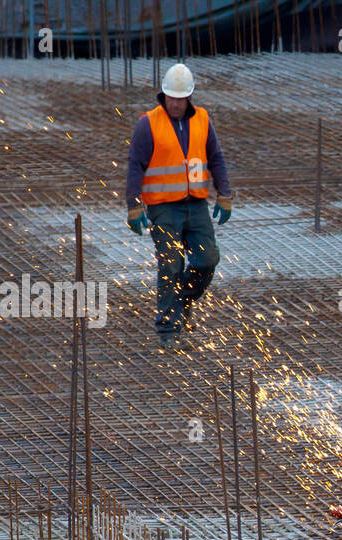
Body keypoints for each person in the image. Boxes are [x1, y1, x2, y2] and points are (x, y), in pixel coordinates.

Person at [125, 63, 233, 348]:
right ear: (164, 95)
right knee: (171, 265)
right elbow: (135, 165)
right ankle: (168, 329)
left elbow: (217, 157)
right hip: (163, 207)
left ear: (189, 97)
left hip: (196, 206)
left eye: (180, 98)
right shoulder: (148, 123)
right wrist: (133, 205)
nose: (175, 103)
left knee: (207, 259)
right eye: (170, 97)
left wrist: (225, 194)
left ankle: (182, 300)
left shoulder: (203, 121)